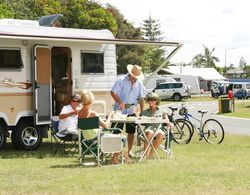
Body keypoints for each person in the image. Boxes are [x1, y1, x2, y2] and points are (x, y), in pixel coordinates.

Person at [110, 64, 146, 159]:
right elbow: (113, 92)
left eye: (136, 78)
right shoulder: (121, 80)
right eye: (133, 77)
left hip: (131, 111)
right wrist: (120, 102)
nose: (134, 79)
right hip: (119, 111)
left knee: (131, 132)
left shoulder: (140, 83)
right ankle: (113, 152)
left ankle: (129, 151)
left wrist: (142, 112)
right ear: (130, 74)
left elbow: (142, 98)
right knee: (115, 132)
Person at [78, 89, 119, 164]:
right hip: (96, 139)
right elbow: (106, 126)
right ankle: (114, 158)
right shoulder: (93, 114)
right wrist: (109, 116)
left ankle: (103, 155)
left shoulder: (79, 113)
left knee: (106, 134)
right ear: (91, 101)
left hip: (85, 139)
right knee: (120, 137)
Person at [141, 92, 173, 159]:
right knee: (150, 132)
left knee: (161, 133)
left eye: (152, 100)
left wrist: (169, 123)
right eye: (149, 100)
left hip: (158, 129)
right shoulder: (145, 112)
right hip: (148, 129)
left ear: (156, 101)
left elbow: (166, 120)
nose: (150, 101)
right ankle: (145, 154)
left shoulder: (162, 111)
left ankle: (150, 155)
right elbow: (139, 119)